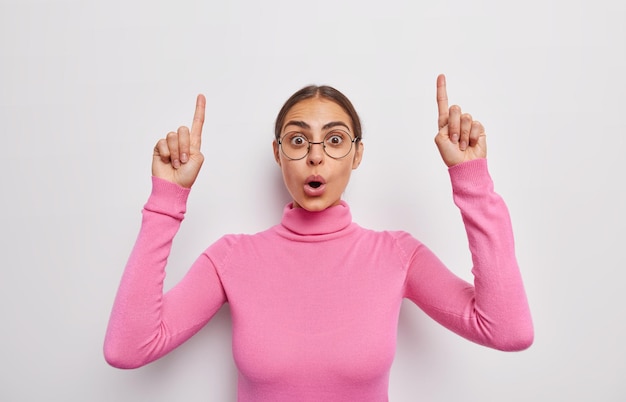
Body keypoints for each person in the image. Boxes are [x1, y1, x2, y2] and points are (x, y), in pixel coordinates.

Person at [104, 74, 533, 401]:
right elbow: (128, 348)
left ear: (357, 154)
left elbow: (507, 330)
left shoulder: (396, 256)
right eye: (297, 139)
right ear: (277, 153)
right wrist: (167, 199)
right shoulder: (232, 258)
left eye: (334, 139)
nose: (315, 155)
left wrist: (471, 179)